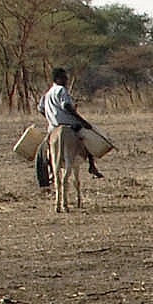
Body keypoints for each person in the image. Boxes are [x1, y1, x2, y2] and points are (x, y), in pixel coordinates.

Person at [39, 67, 95, 210]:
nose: (66, 80)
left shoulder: (47, 94)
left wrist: (51, 117)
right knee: (88, 140)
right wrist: (82, 121)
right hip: (69, 126)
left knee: (44, 153)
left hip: (53, 128)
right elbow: (67, 106)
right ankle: (92, 166)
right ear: (57, 79)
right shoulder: (61, 90)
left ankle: (51, 179)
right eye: (64, 78)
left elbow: (40, 108)